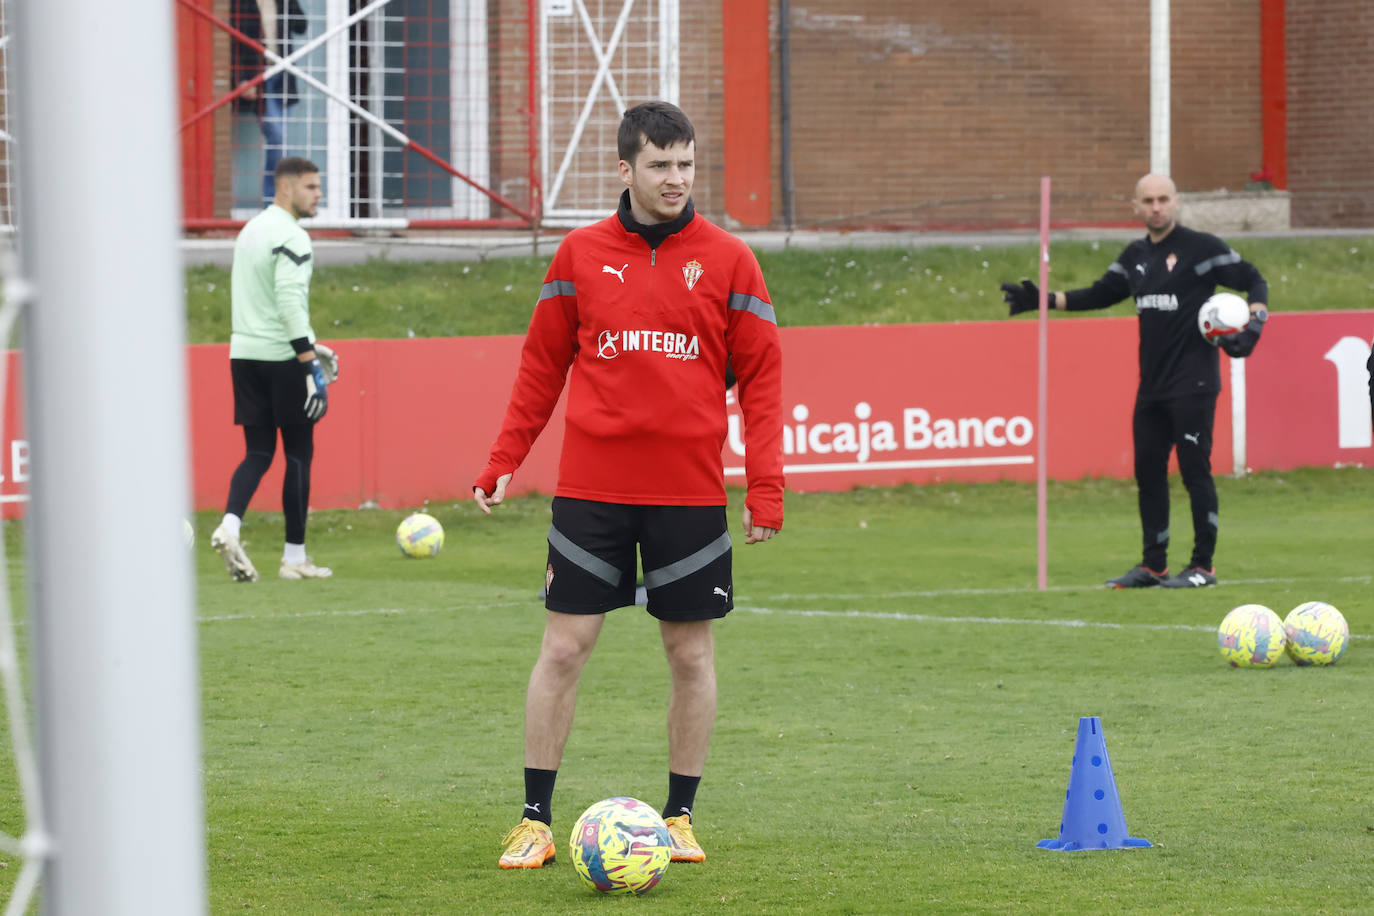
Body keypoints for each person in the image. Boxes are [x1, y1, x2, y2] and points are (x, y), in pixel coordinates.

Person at [473, 101, 784, 869]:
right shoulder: (579, 255)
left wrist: (766, 486)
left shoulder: (731, 260)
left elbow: (765, 382)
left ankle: (679, 818)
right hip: (593, 490)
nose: (675, 179)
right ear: (625, 169)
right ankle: (534, 820)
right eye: (659, 165)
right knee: (565, 647)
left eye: (685, 165)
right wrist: (503, 459)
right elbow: (541, 368)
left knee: (689, 654)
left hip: (689, 494)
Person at [1001, 173, 1269, 589]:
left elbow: (1254, 279)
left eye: (1163, 198)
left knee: (1195, 472)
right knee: (1148, 473)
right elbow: (1101, 293)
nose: (1156, 206)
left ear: (1176, 202)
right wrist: (1045, 300)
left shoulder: (1201, 249)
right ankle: (1154, 565)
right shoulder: (1135, 257)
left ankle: (1203, 567)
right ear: (1136, 206)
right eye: (1148, 200)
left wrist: (1255, 323)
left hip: (1194, 385)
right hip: (1153, 388)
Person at [211, 157, 337, 583]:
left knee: (259, 452)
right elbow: (287, 301)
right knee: (299, 452)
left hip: (243, 353)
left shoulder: (251, 230)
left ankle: (230, 526)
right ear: (286, 188)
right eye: (311, 187)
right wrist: (308, 361)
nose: (318, 194)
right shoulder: (292, 236)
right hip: (283, 357)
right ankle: (294, 558)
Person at [231, 0, 308, 205]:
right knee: (277, 138)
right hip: (258, 75)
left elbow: (301, 26)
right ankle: (275, 202)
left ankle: (275, 202)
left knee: (278, 142)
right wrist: (241, 78)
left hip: (281, 74)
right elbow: (233, 40)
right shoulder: (240, 3)